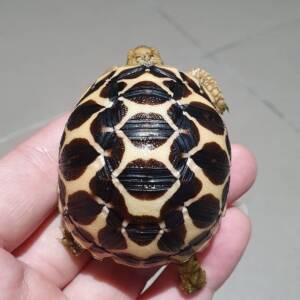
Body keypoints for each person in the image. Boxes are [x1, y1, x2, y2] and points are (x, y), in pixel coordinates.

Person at [0, 114, 257, 300]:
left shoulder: (106, 91)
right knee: (186, 250)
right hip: (179, 237)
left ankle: (78, 240)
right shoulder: (193, 90)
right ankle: (187, 261)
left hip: (102, 232)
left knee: (78, 234)